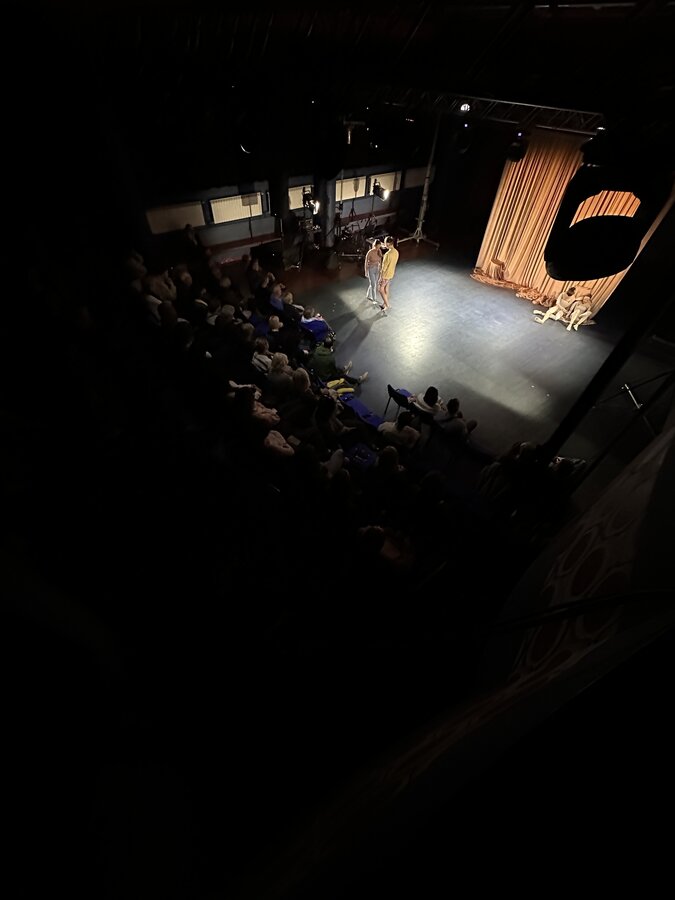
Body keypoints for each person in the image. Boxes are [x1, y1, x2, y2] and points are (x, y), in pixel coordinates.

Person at [378, 236, 399, 314]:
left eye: (385, 243)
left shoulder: (387, 255)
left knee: (380, 289)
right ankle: (385, 304)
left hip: (385, 275)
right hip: (391, 273)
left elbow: (384, 268)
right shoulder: (396, 252)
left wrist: (381, 277)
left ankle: (387, 304)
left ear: (388, 243)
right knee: (386, 288)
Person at [364, 238, 383, 303]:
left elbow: (380, 260)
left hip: (377, 269)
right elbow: (366, 262)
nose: (378, 248)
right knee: (373, 285)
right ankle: (374, 299)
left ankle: (368, 295)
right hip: (371, 269)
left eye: (379, 247)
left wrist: (380, 269)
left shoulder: (379, 251)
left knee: (373, 284)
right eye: (377, 247)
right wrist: (366, 271)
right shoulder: (370, 252)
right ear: (374, 245)